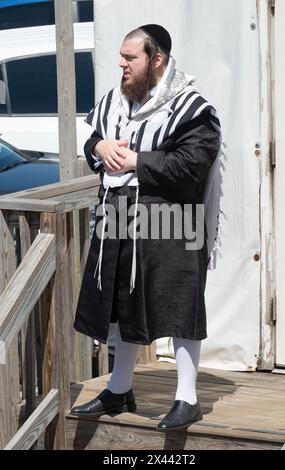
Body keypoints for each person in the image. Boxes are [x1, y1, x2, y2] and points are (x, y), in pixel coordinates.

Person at [72, 24, 222, 431]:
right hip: (119, 216)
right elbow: (91, 134)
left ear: (156, 60)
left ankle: (186, 398)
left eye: (130, 58)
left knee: (178, 305)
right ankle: (119, 389)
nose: (121, 64)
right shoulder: (116, 102)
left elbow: (193, 163)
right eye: (121, 56)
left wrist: (139, 161)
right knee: (122, 303)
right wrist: (99, 146)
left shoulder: (190, 108)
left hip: (172, 217)